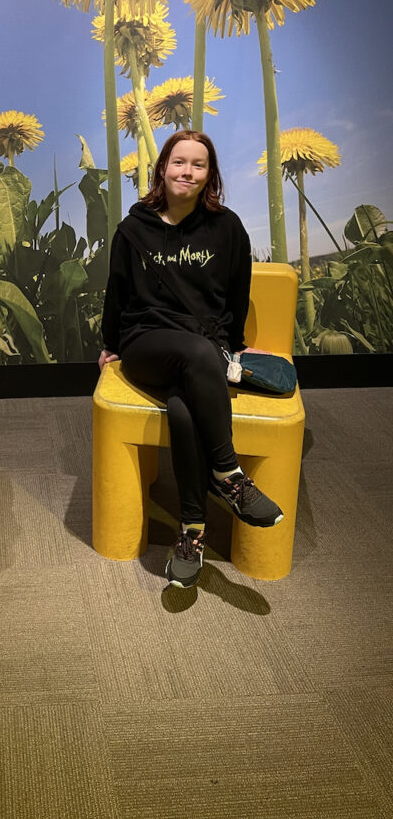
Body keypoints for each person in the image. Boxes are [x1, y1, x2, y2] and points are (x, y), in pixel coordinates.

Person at [99, 131, 283, 589]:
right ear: (162, 168)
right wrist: (109, 343)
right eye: (179, 162)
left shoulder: (227, 227)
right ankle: (229, 474)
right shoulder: (134, 229)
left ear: (209, 175)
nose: (187, 172)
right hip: (146, 342)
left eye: (198, 165)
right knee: (197, 357)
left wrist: (233, 344)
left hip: (204, 344)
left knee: (183, 408)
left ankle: (192, 530)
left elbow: (237, 293)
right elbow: (116, 292)